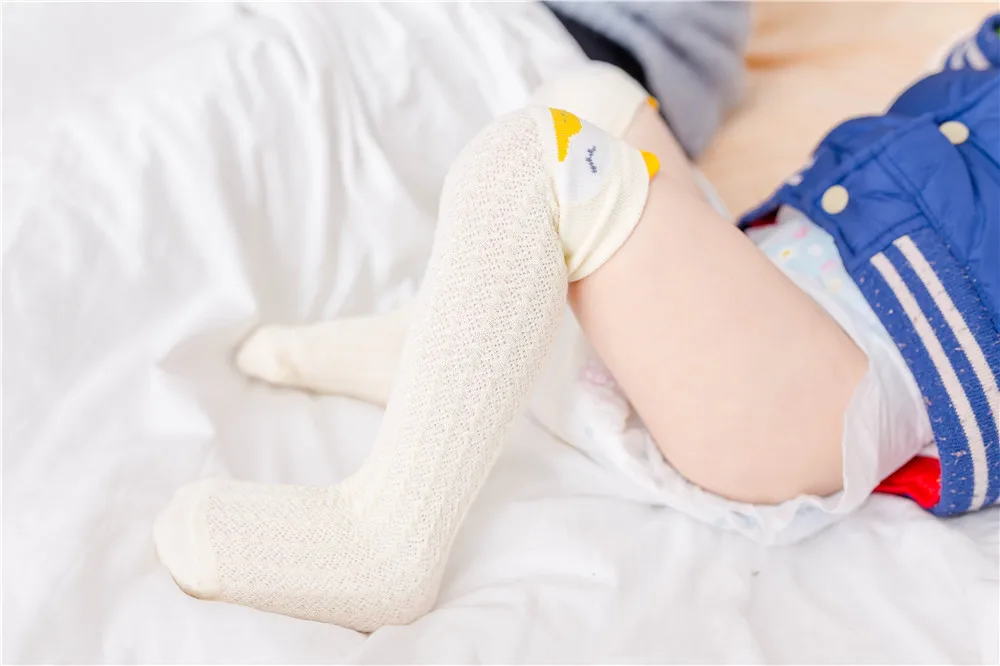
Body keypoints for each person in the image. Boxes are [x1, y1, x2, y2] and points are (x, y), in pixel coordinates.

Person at [153, 13, 1000, 634]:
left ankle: (383, 538)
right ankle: (450, 353)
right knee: (594, 95)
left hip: (845, 384)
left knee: (547, 161)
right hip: (796, 275)